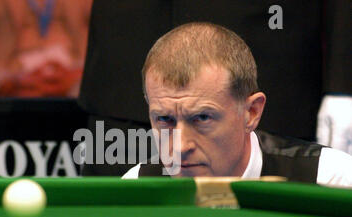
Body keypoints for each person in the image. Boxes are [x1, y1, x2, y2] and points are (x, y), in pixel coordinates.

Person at [79, 0, 351, 177]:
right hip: (118, 81)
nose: (180, 146)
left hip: (266, 48)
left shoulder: (331, 174)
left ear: (253, 111)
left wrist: (344, 81)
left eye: (202, 119)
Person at [0, 0, 92, 97]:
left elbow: (110, 53)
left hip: (78, 90)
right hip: (2, 89)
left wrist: (80, 78)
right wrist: (5, 84)